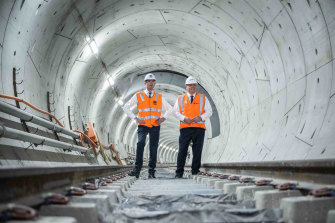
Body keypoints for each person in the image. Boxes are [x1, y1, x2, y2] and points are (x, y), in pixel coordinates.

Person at [123, 73, 172, 178]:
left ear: (155, 84)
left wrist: (163, 118)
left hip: (155, 125)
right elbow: (126, 107)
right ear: (145, 83)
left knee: (153, 148)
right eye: (148, 81)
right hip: (143, 125)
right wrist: (135, 118)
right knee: (140, 143)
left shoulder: (159, 97)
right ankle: (137, 169)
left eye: (153, 81)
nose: (151, 83)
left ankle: (151, 171)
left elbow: (170, 108)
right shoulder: (138, 95)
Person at [173, 76, 212, 178]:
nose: (192, 87)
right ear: (186, 86)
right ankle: (179, 173)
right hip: (185, 127)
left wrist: (201, 117)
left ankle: (195, 171)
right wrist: (184, 118)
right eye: (190, 85)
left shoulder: (203, 98)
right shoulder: (180, 98)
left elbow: (209, 111)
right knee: (182, 150)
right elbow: (175, 112)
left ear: (196, 86)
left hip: (199, 128)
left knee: (197, 150)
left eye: (194, 85)